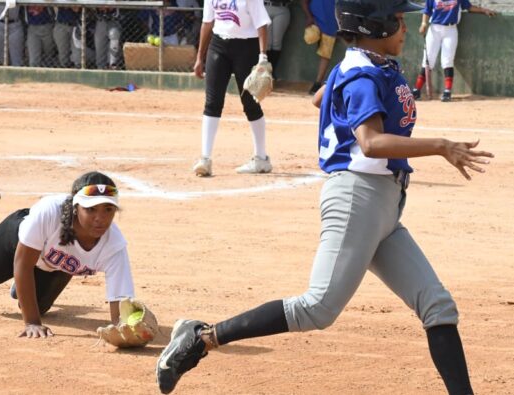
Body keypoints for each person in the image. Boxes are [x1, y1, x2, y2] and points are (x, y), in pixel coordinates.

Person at [154, 1, 493, 394]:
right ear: (374, 26)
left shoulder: (366, 64)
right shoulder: (363, 73)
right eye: (398, 21)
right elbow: (370, 142)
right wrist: (441, 146)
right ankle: (201, 337)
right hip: (357, 200)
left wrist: (337, 91)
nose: (404, 28)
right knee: (316, 308)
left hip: (383, 206)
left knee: (437, 305)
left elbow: (320, 99)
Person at [0, 171, 138, 338]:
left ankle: (23, 284)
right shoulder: (49, 212)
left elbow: (121, 307)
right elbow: (23, 264)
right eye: (91, 209)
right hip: (18, 243)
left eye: (108, 209)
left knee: (38, 307)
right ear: (76, 207)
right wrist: (32, 323)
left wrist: (125, 332)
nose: (100, 218)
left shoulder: (114, 245)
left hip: (55, 265)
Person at [191, 0, 274, 177]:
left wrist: (262, 56)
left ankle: (261, 158)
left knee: (250, 102)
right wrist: (200, 58)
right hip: (218, 45)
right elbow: (207, 22)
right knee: (212, 101)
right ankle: (205, 159)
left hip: (246, 46)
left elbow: (261, 24)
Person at [411, 0, 496, 102]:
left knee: (447, 60)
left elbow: (468, 7)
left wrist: (484, 10)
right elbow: (427, 11)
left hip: (450, 30)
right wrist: (424, 23)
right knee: (428, 59)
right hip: (434, 29)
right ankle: (417, 90)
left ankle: (447, 91)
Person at [300, 0, 337, 94]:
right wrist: (309, 17)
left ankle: (317, 83)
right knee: (310, 38)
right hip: (315, 21)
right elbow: (304, 1)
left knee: (325, 53)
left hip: (331, 23)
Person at [264, 0, 293, 78]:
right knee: (267, 43)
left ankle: (271, 72)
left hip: (282, 7)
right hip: (265, 6)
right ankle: (265, 72)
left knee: (276, 42)